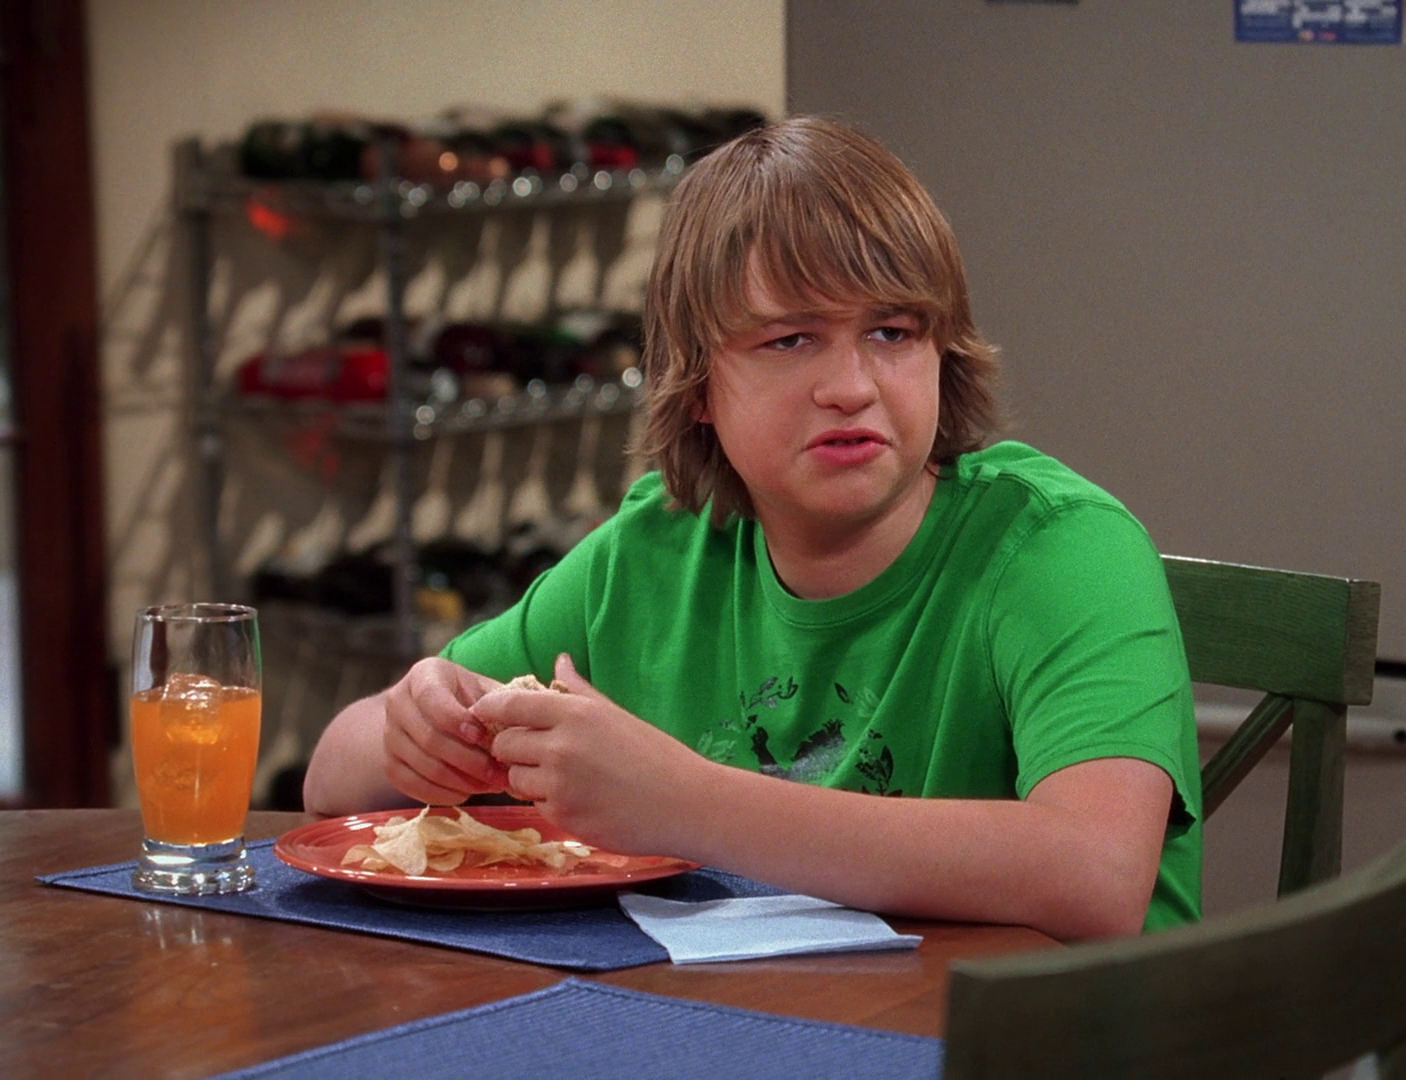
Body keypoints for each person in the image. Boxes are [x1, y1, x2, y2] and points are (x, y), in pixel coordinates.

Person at [303, 116, 1202, 940]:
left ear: (943, 352)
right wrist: (414, 724)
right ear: (696, 386)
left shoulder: (1058, 547)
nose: (851, 386)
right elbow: (330, 779)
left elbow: (1097, 877)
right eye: (789, 340)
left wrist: (683, 802)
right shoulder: (655, 551)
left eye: (892, 332)